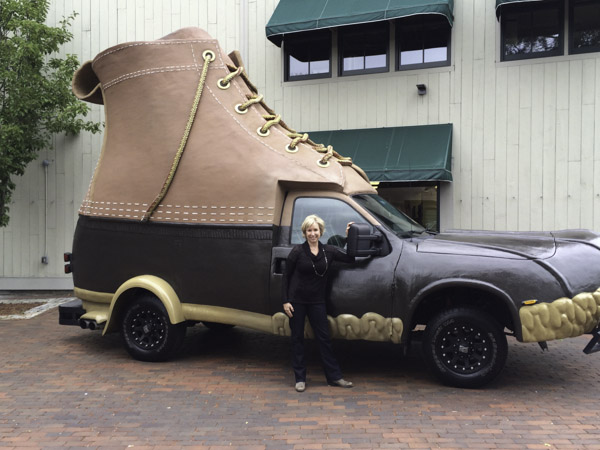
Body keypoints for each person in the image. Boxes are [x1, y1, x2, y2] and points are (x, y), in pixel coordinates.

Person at [282, 214, 355, 392]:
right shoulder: (297, 252)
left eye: (315, 230)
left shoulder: (328, 251)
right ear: (304, 232)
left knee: (324, 339)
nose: (312, 233)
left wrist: (350, 236)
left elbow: (350, 258)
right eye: (309, 230)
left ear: (320, 231)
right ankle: (300, 378)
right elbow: (286, 277)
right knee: (297, 339)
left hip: (317, 302)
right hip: (297, 302)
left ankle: (334, 377)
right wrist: (285, 301)